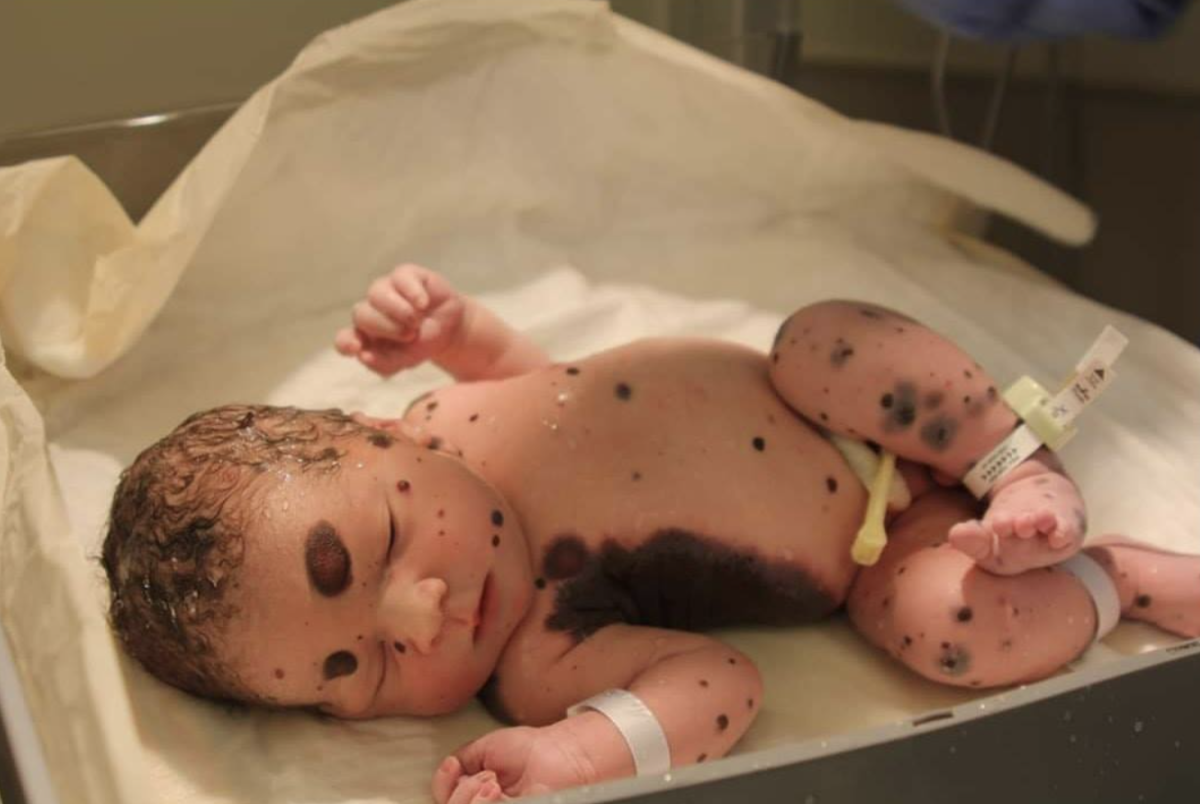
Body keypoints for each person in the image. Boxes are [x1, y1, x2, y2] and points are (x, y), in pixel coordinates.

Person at [102, 264, 1200, 803]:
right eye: (365, 667)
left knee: (824, 339)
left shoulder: (453, 415)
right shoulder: (540, 660)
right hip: (880, 544)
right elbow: (719, 681)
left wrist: (456, 330)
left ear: (377, 432)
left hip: (824, 397)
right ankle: (1129, 585)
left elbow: (542, 384)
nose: (423, 617)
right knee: (952, 633)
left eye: (385, 547)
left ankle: (1010, 459)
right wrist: (573, 751)